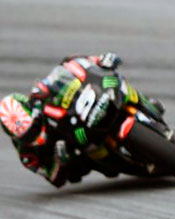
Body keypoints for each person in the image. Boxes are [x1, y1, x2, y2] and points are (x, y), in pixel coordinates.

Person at [0, 53, 164, 187]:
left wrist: (99, 60)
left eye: (33, 128)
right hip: (76, 151)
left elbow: (69, 65)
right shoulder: (27, 155)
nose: (34, 135)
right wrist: (59, 160)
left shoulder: (40, 95)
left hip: (82, 115)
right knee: (87, 163)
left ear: (33, 112)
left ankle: (145, 104)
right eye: (27, 136)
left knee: (115, 83)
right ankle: (130, 165)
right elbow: (53, 179)